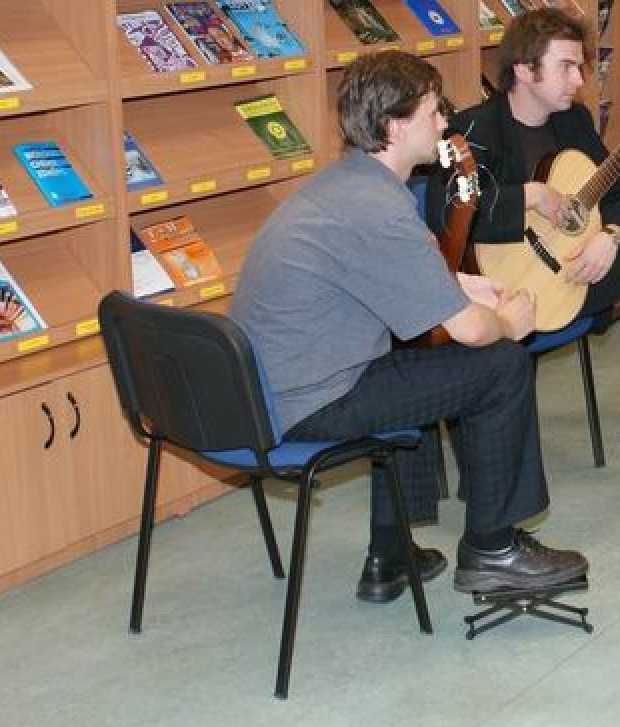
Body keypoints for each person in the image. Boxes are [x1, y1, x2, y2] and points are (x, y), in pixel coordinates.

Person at [231, 50, 587, 604]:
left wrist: (461, 285)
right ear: (395, 126)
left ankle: (390, 553)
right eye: (433, 112)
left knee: (419, 364)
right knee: (500, 363)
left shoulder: (346, 185)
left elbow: (390, 274)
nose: (445, 122)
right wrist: (508, 321)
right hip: (308, 403)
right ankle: (493, 551)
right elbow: (471, 332)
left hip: (272, 390)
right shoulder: (379, 208)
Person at [438, 7, 620, 445]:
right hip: (503, 292)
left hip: (573, 273)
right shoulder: (469, 130)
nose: (579, 80)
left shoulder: (573, 121)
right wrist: (531, 195)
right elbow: (448, 216)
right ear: (525, 70)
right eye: (566, 67)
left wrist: (611, 235)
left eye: (580, 68)